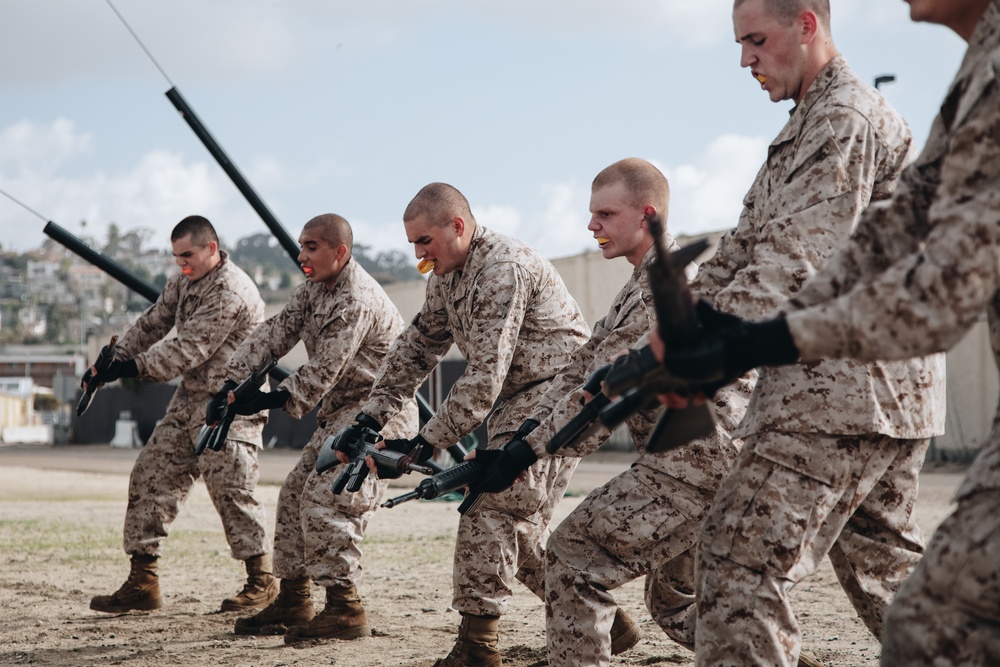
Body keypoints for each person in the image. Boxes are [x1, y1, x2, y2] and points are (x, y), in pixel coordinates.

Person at [658, 1, 999, 664]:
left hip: (839, 392)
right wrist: (697, 330)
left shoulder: (843, 116)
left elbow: (803, 261)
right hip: (867, 384)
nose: (745, 59)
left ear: (806, 24)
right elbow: (875, 237)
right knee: (913, 597)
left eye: (757, 39)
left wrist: (743, 341)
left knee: (736, 565)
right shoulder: (967, 71)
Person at [332, 182, 591, 666]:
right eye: (412, 243)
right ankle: (605, 622)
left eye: (425, 240)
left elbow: (485, 372)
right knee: (518, 526)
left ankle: (477, 648)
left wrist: (425, 443)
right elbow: (416, 346)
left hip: (556, 393)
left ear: (458, 226)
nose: (419, 253)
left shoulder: (502, 268)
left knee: (492, 504)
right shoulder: (447, 274)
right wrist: (369, 416)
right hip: (515, 398)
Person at [514, 158, 754, 667]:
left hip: (696, 467)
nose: (591, 226)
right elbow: (582, 364)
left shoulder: (661, 290)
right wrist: (523, 433)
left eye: (605, 214)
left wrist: (524, 454)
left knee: (573, 560)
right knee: (674, 604)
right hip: (711, 465)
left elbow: (599, 397)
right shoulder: (647, 280)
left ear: (646, 215)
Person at [215, 214, 418, 642]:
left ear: (339, 252)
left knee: (328, 495)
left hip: (379, 415)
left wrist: (269, 398)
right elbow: (274, 332)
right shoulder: (313, 290)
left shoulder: (355, 299)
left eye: (311, 247)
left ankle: (345, 607)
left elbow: (325, 369)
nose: (300, 255)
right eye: (301, 246)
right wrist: (231, 383)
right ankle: (294, 599)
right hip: (343, 413)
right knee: (293, 494)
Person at [86, 215, 277, 614]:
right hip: (191, 399)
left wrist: (130, 369)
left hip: (232, 403)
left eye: (187, 255)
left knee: (231, 487)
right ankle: (143, 582)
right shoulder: (185, 281)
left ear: (211, 247)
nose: (181, 264)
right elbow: (155, 322)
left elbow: (189, 348)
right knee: (150, 475)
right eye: (176, 258)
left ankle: (262, 581)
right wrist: (112, 360)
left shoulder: (232, 289)